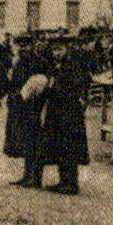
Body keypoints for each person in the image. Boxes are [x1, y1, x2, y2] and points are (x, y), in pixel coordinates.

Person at [31, 48, 90, 193]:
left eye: (60, 49)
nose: (57, 52)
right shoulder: (56, 67)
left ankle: (70, 184)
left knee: (68, 146)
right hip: (57, 113)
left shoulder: (72, 66)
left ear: (66, 50)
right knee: (59, 147)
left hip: (69, 113)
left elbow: (79, 84)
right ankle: (64, 181)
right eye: (55, 49)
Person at [4, 41, 48, 187]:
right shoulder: (20, 62)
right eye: (20, 46)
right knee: (26, 142)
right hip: (21, 105)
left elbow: (39, 85)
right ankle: (27, 175)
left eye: (26, 46)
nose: (23, 49)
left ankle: (35, 178)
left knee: (34, 141)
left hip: (32, 106)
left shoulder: (37, 62)